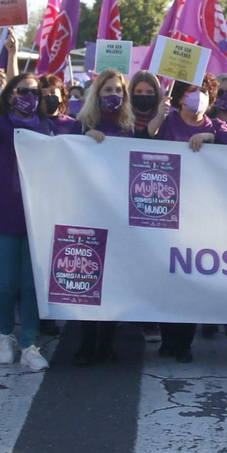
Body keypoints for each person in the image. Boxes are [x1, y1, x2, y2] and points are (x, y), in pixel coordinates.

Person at [0, 69, 55, 372]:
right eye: (22, 91)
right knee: (6, 282)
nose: (29, 97)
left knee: (32, 284)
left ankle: (29, 344)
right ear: (10, 96)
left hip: (35, 217)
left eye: (34, 91)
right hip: (0, 215)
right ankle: (5, 335)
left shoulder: (47, 128)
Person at [150, 75, 227, 362]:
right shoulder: (168, 121)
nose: (196, 96)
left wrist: (210, 137)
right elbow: (143, 144)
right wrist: (157, 117)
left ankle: (183, 343)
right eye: (190, 91)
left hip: (200, 216)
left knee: (190, 281)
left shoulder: (217, 126)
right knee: (165, 278)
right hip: (165, 211)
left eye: (201, 92)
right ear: (179, 96)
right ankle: (168, 337)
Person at [74, 68, 140, 364]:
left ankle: (107, 342)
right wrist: (85, 138)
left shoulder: (130, 126)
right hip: (89, 211)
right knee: (88, 277)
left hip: (120, 212)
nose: (114, 95)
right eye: (108, 90)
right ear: (97, 92)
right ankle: (87, 344)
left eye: (118, 91)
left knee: (114, 278)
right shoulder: (81, 124)